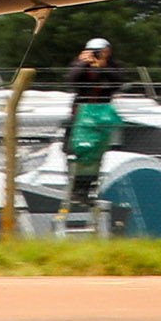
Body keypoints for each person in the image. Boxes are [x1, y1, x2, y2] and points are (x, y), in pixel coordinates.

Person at [63, 38, 125, 219]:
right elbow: (72, 81)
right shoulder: (80, 64)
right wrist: (83, 64)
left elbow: (118, 83)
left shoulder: (113, 66)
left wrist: (102, 67)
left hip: (101, 115)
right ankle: (76, 188)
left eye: (100, 51)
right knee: (78, 150)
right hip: (81, 115)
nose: (96, 54)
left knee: (97, 152)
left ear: (108, 50)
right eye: (93, 51)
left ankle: (89, 187)